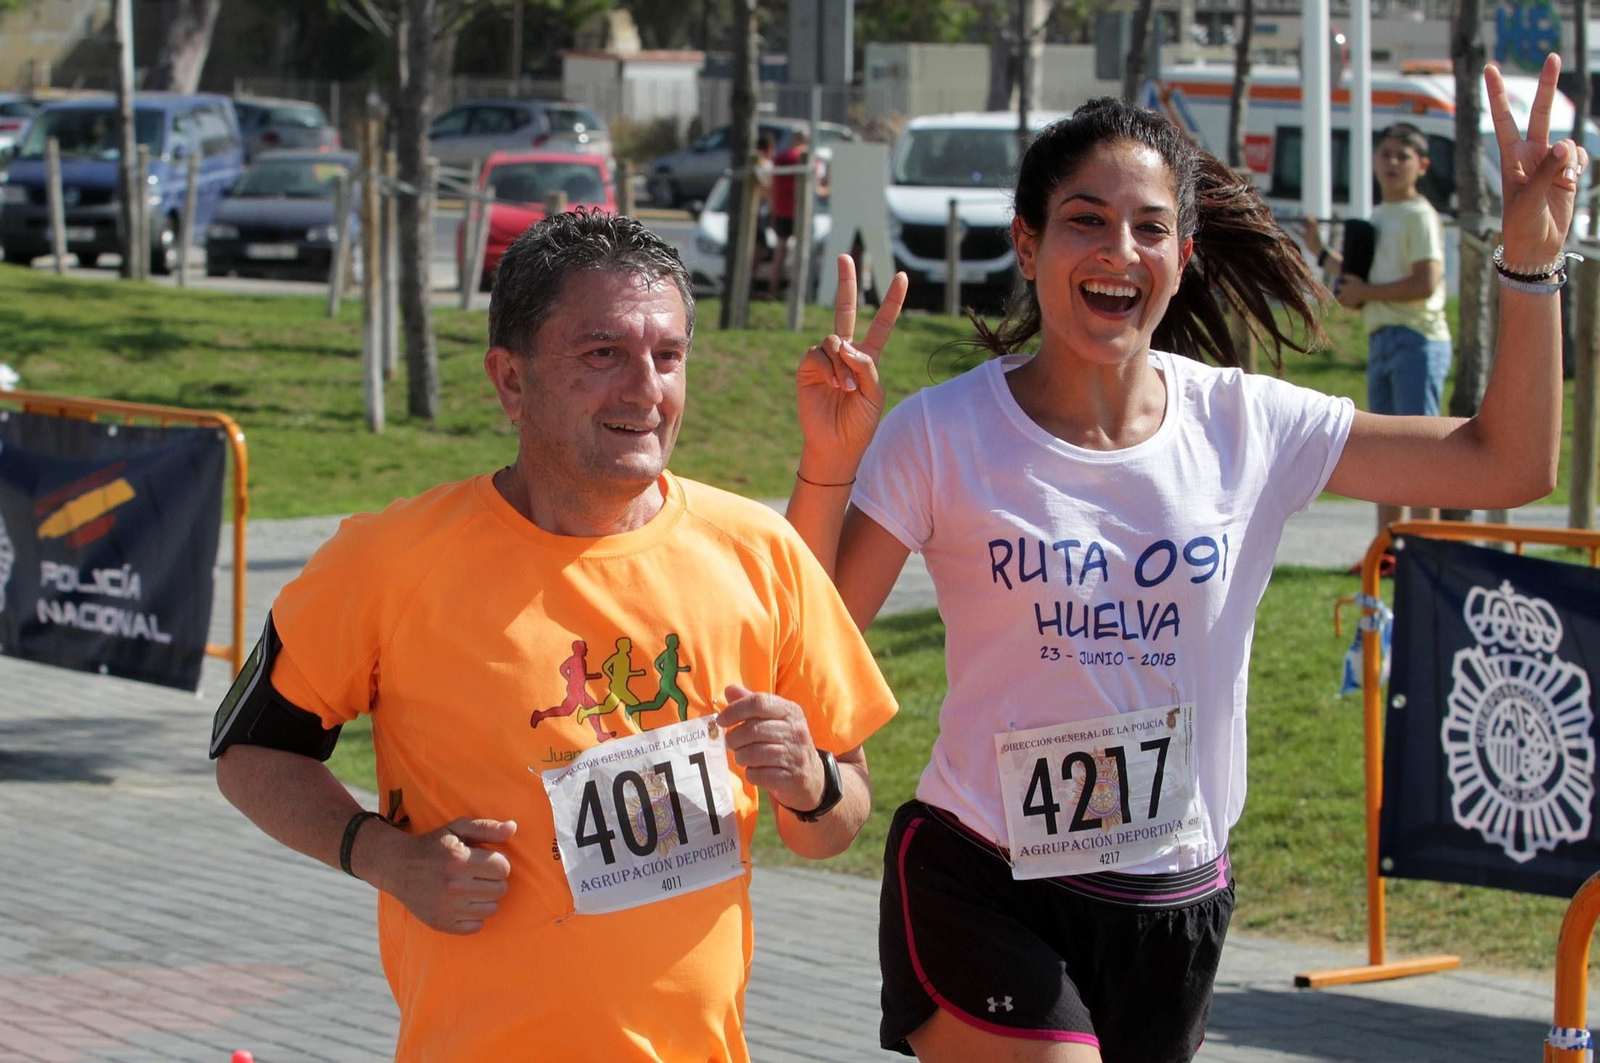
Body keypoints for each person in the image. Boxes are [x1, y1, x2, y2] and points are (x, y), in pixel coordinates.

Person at [786, 57, 1581, 1063]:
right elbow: (814, 640)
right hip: (980, 872)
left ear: (1185, 253)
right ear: (1026, 246)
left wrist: (1528, 261)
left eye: (1148, 226)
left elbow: (1504, 461)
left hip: (1174, 895)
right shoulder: (940, 433)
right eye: (1084, 219)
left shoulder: (1245, 423)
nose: (1118, 248)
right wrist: (826, 465)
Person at [210, 209, 898, 1061]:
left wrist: (813, 780)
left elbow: (837, 821)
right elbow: (249, 751)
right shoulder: (387, 561)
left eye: (669, 356)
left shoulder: (760, 552)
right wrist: (385, 857)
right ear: (511, 379)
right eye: (603, 353)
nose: (646, 389)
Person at [1299, 122, 1453, 555]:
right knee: (1388, 455)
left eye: (1402, 156)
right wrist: (1320, 253)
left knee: (1423, 455)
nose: (1391, 163)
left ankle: (1425, 553)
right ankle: (1388, 551)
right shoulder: (1379, 216)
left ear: (1421, 166)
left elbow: (1426, 281)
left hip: (1418, 339)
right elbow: (1357, 289)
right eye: (1385, 153)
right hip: (1383, 339)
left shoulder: (1420, 214)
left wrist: (1366, 292)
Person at [769, 128, 829, 298]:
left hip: (781, 210)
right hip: (800, 212)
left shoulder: (780, 158)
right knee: (801, 253)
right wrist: (830, 189)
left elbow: (773, 186)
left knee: (780, 252)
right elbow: (816, 189)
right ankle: (798, 293)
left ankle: (773, 290)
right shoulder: (809, 160)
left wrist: (774, 212)